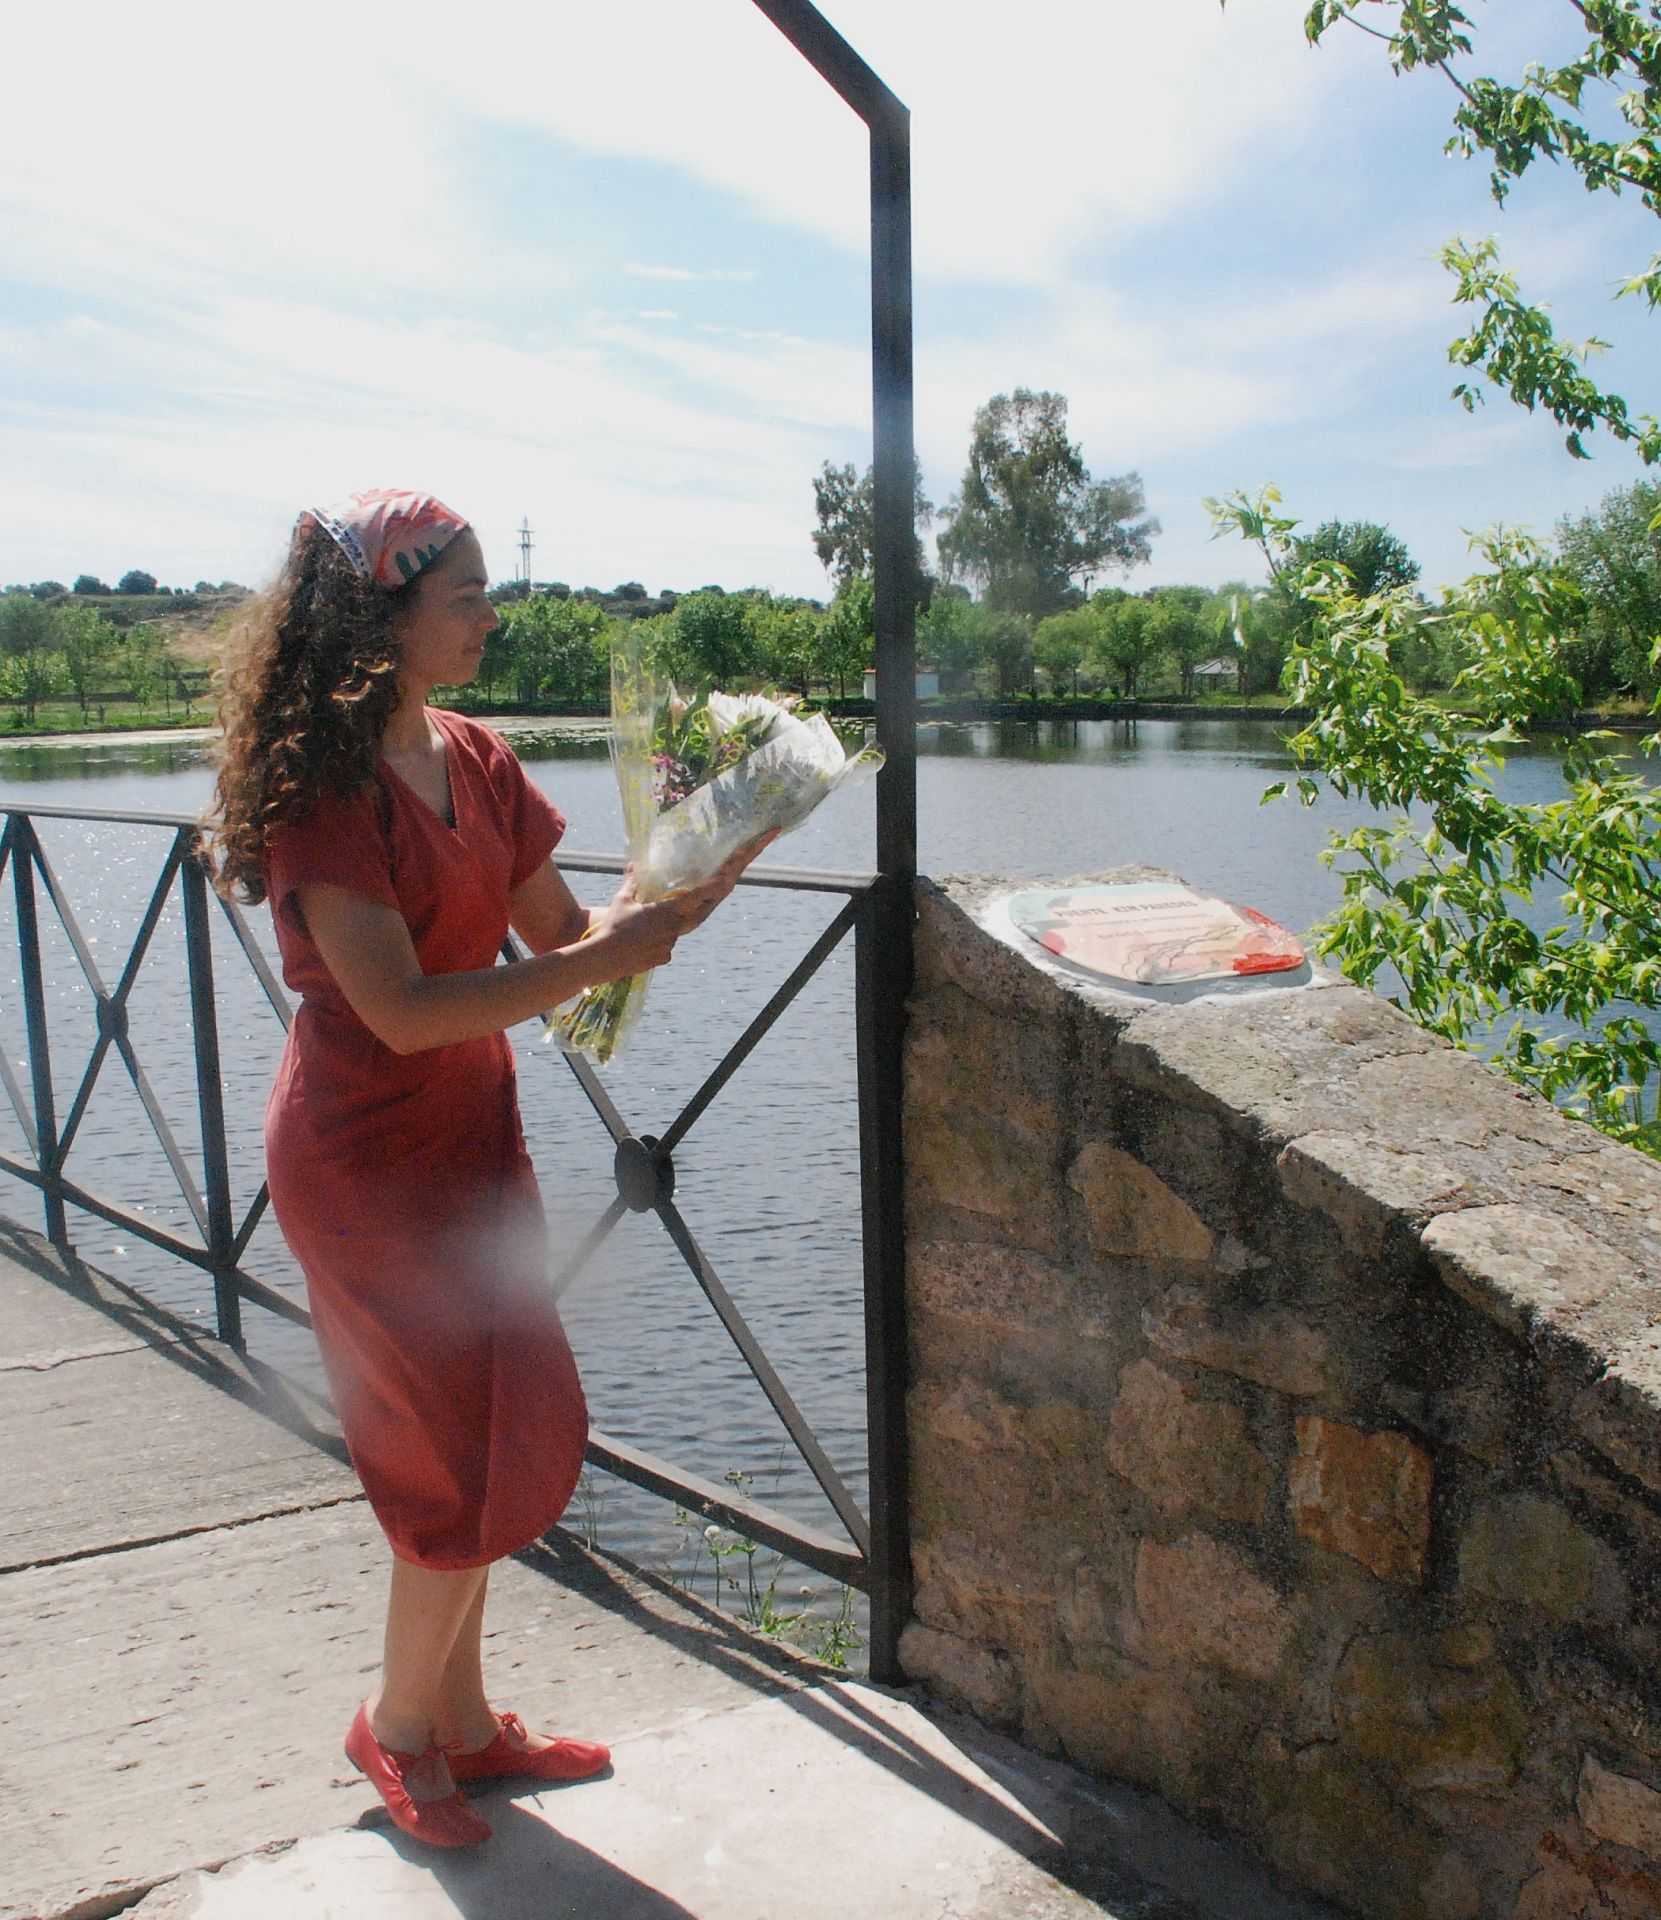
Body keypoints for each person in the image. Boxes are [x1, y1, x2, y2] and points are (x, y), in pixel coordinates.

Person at [204, 488, 764, 1849]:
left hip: (471, 1140)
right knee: (444, 1449)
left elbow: (568, 944)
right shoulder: (325, 796)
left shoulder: (480, 759)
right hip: (361, 1158)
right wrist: (595, 961)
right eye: (465, 596)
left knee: (506, 1417)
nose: (491, 616)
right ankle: (396, 1731)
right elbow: (398, 1007)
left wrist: (702, 865)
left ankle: (459, 1722)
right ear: (384, 619)